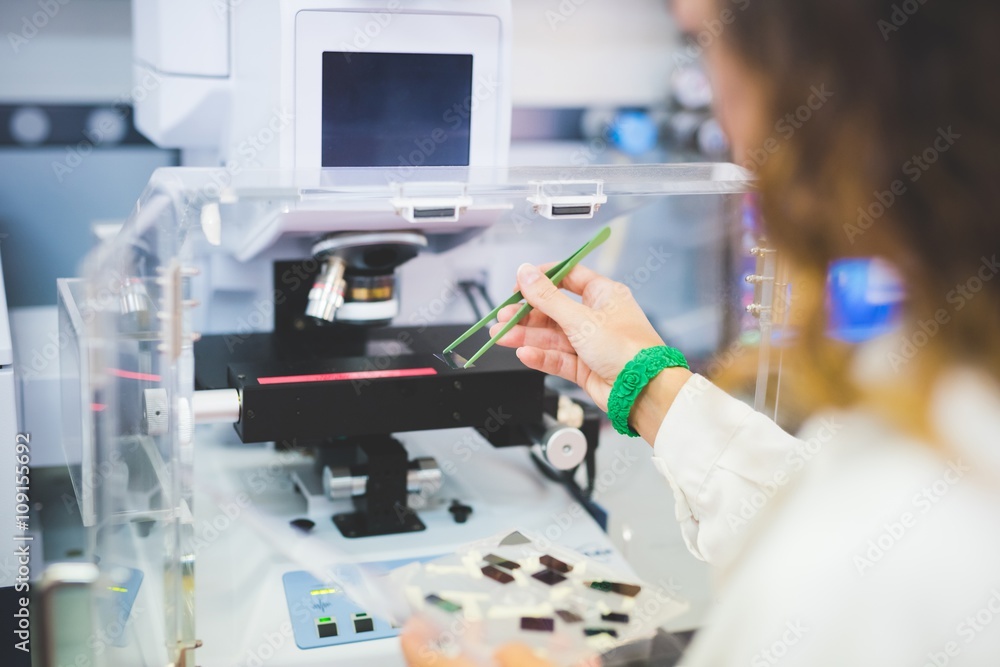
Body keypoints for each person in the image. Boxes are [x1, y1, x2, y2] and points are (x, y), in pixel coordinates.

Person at [403, 0, 1000, 664]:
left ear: (821, 81)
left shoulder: (903, 548)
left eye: (708, 46)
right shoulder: (940, 407)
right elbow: (800, 505)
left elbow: (836, 554)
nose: (723, 119)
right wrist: (645, 380)